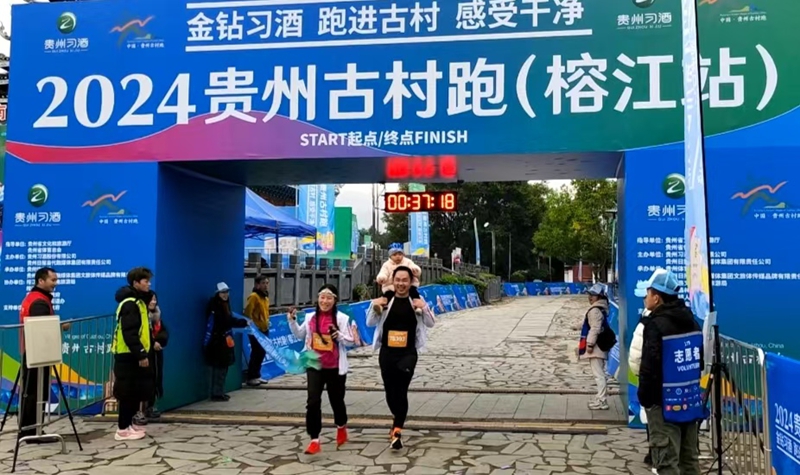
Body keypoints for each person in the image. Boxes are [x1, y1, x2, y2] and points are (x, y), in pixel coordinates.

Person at [637, 268, 704, 475]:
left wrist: (645, 398)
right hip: (689, 400)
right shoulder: (692, 321)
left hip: (662, 403)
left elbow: (650, 367)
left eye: (648, 293)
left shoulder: (656, 325)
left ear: (656, 298)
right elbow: (699, 361)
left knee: (666, 461)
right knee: (689, 459)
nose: (645, 298)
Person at [368, 266, 435, 450]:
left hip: (408, 353)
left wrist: (424, 307)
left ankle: (397, 430)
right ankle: (396, 421)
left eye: (405, 280)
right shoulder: (386, 301)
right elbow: (370, 322)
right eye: (398, 280)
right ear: (393, 281)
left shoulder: (416, 301)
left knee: (401, 389)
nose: (401, 284)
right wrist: (375, 307)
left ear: (411, 282)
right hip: (387, 353)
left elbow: (430, 323)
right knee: (390, 392)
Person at [288, 284, 355, 455]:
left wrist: (339, 336)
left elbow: (350, 341)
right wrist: (292, 321)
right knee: (313, 401)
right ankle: (314, 439)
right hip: (314, 364)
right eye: (322, 297)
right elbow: (300, 335)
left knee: (336, 400)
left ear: (335, 300)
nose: (325, 301)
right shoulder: (310, 317)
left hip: (334, 367)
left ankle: (341, 426)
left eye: (329, 298)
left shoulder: (341, 319)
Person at [18, 267, 64, 444]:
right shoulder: (39, 302)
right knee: (35, 393)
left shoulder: (34, 298)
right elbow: (42, 328)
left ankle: (32, 428)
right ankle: (32, 430)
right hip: (38, 354)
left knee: (32, 392)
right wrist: (60, 326)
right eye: (53, 280)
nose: (55, 283)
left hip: (32, 352)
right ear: (41, 281)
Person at [111, 267, 155, 441]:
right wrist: (141, 354)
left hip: (132, 354)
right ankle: (122, 429)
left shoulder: (139, 302)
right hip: (127, 355)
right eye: (145, 281)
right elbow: (129, 332)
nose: (149, 284)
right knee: (127, 392)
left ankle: (129, 424)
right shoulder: (130, 303)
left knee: (134, 391)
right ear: (136, 283)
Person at [204, 282, 248, 402]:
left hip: (224, 340)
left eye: (227, 292)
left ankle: (219, 391)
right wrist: (242, 322)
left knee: (223, 367)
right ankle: (217, 393)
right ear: (217, 293)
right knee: (219, 367)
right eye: (223, 292)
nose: (225, 294)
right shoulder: (215, 306)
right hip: (217, 341)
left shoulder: (225, 304)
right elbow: (225, 321)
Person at [578, 283, 611, 411]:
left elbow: (595, 328)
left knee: (599, 375)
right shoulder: (601, 309)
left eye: (593, 295)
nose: (590, 297)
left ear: (599, 297)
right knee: (600, 373)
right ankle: (600, 398)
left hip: (596, 347)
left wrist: (590, 344)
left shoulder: (595, 310)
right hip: (600, 345)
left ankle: (602, 400)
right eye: (590, 294)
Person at [629, 308, 654, 466]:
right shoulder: (685, 317)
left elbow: (636, 355)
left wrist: (640, 374)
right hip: (678, 381)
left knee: (652, 417)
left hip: (651, 379)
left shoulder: (646, 321)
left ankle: (655, 454)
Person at [375, 243, 424, 315]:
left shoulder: (407, 261)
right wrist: (382, 278)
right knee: (387, 295)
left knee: (414, 293)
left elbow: (413, 266)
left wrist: (415, 270)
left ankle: (418, 307)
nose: (398, 257)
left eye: (400, 254)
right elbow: (383, 272)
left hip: (408, 285)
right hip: (391, 286)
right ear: (390, 256)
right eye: (394, 255)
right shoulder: (386, 265)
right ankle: (381, 306)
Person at [143, 292, 168, 422]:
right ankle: (144, 408)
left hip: (157, 353)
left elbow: (164, 332)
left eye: (155, 299)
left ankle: (151, 406)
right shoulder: (142, 316)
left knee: (156, 377)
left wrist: (159, 341)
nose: (153, 302)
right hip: (146, 353)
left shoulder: (158, 316)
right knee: (147, 379)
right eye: (151, 300)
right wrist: (153, 343)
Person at [244, 276, 270, 387]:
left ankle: (257, 375)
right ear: (257, 284)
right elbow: (248, 312)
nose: (265, 285)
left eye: (267, 283)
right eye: (263, 283)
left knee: (262, 352)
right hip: (255, 330)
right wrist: (252, 327)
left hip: (264, 329)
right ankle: (251, 377)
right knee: (256, 352)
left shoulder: (265, 298)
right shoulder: (254, 297)